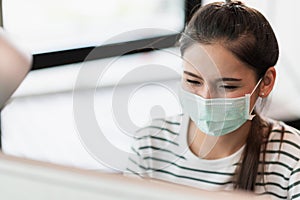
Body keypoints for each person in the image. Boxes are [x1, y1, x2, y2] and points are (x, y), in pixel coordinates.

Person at [125, 1, 300, 199]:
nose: (206, 99)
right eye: (193, 80)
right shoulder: (150, 143)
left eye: (227, 86)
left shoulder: (291, 158)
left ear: (266, 82)